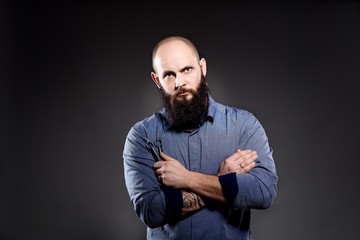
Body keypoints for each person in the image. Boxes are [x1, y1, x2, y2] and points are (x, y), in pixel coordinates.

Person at [123, 35, 278, 239]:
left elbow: (263, 192)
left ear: (202, 68)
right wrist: (223, 182)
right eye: (169, 74)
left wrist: (187, 178)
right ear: (157, 80)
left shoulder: (243, 125)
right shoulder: (141, 136)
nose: (180, 82)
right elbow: (151, 211)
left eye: (187, 69)